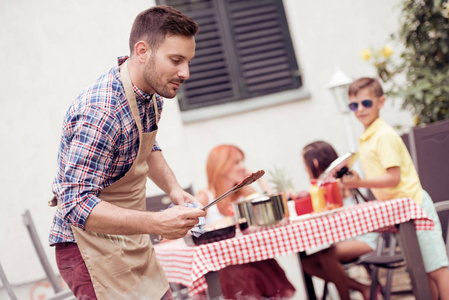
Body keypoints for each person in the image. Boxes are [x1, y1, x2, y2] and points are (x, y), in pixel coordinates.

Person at [49, 6, 206, 300]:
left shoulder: (152, 95)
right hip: (89, 251)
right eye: (176, 60)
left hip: (132, 241)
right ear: (142, 50)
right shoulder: (102, 112)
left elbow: (147, 147)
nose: (185, 72)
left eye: (187, 61)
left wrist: (174, 190)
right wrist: (156, 222)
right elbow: (76, 204)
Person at [341, 77, 449, 300]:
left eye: (366, 103)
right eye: (354, 105)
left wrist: (358, 183)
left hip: (416, 209)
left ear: (381, 102)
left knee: (437, 270)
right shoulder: (368, 136)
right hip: (402, 214)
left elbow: (393, 178)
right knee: (422, 274)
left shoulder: (383, 135)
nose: (360, 109)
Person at [195, 144, 296, 299]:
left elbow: (275, 210)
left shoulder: (245, 193)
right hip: (225, 266)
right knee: (245, 273)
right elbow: (186, 231)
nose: (243, 167)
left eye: (243, 162)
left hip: (254, 259)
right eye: (236, 162)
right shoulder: (205, 198)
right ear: (220, 167)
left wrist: (260, 181)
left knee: (260, 266)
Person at [300, 141, 378, 300]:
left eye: (305, 165)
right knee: (307, 263)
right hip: (347, 239)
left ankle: (346, 297)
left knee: (328, 255)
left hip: (364, 239)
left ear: (314, 164)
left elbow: (340, 198)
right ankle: (362, 287)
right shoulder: (326, 185)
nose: (304, 169)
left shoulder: (340, 182)